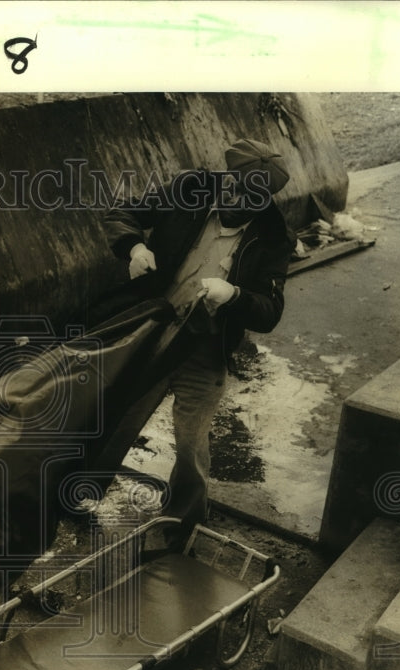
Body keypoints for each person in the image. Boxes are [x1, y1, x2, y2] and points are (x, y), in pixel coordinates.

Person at [103, 138, 294, 544]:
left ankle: (180, 525)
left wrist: (236, 296)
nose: (236, 198)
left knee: (190, 440)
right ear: (224, 177)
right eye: (233, 186)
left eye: (249, 197)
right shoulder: (191, 189)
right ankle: (80, 493)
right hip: (153, 330)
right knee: (119, 418)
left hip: (205, 347)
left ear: (264, 202)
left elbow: (270, 312)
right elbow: (121, 213)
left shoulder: (275, 237)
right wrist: (134, 247)